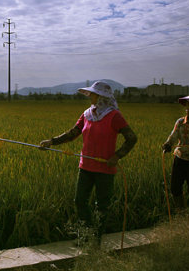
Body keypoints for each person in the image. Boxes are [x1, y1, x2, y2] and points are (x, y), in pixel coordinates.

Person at [39, 81, 137, 245]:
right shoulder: (87, 114)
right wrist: (52, 142)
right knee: (80, 201)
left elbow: (132, 138)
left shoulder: (114, 116)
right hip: (85, 167)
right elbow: (73, 133)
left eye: (93, 94)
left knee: (102, 207)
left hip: (104, 169)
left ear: (101, 96)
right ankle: (86, 235)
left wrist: (117, 156)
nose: (90, 96)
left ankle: (95, 241)